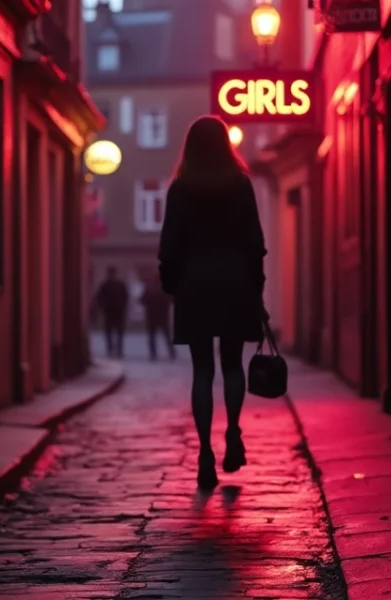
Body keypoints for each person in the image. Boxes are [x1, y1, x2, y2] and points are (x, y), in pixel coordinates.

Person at [158, 115, 268, 490]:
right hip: (235, 281)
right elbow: (255, 241)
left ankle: (205, 452)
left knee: (202, 370)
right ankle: (233, 433)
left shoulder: (180, 188)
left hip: (195, 285)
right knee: (233, 364)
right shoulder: (240, 185)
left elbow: (169, 245)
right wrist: (257, 286)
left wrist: (172, 284)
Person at [95, 266, 129, 358]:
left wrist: (123, 308)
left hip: (117, 312)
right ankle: (111, 350)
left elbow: (125, 298)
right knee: (110, 332)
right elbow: (99, 298)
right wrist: (103, 308)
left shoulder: (117, 285)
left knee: (118, 333)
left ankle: (118, 350)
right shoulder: (106, 285)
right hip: (110, 312)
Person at [140, 276, 177, 360]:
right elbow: (172, 300)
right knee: (166, 335)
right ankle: (172, 352)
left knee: (152, 336)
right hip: (163, 316)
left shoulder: (149, 289)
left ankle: (153, 354)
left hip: (151, 316)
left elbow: (142, 300)